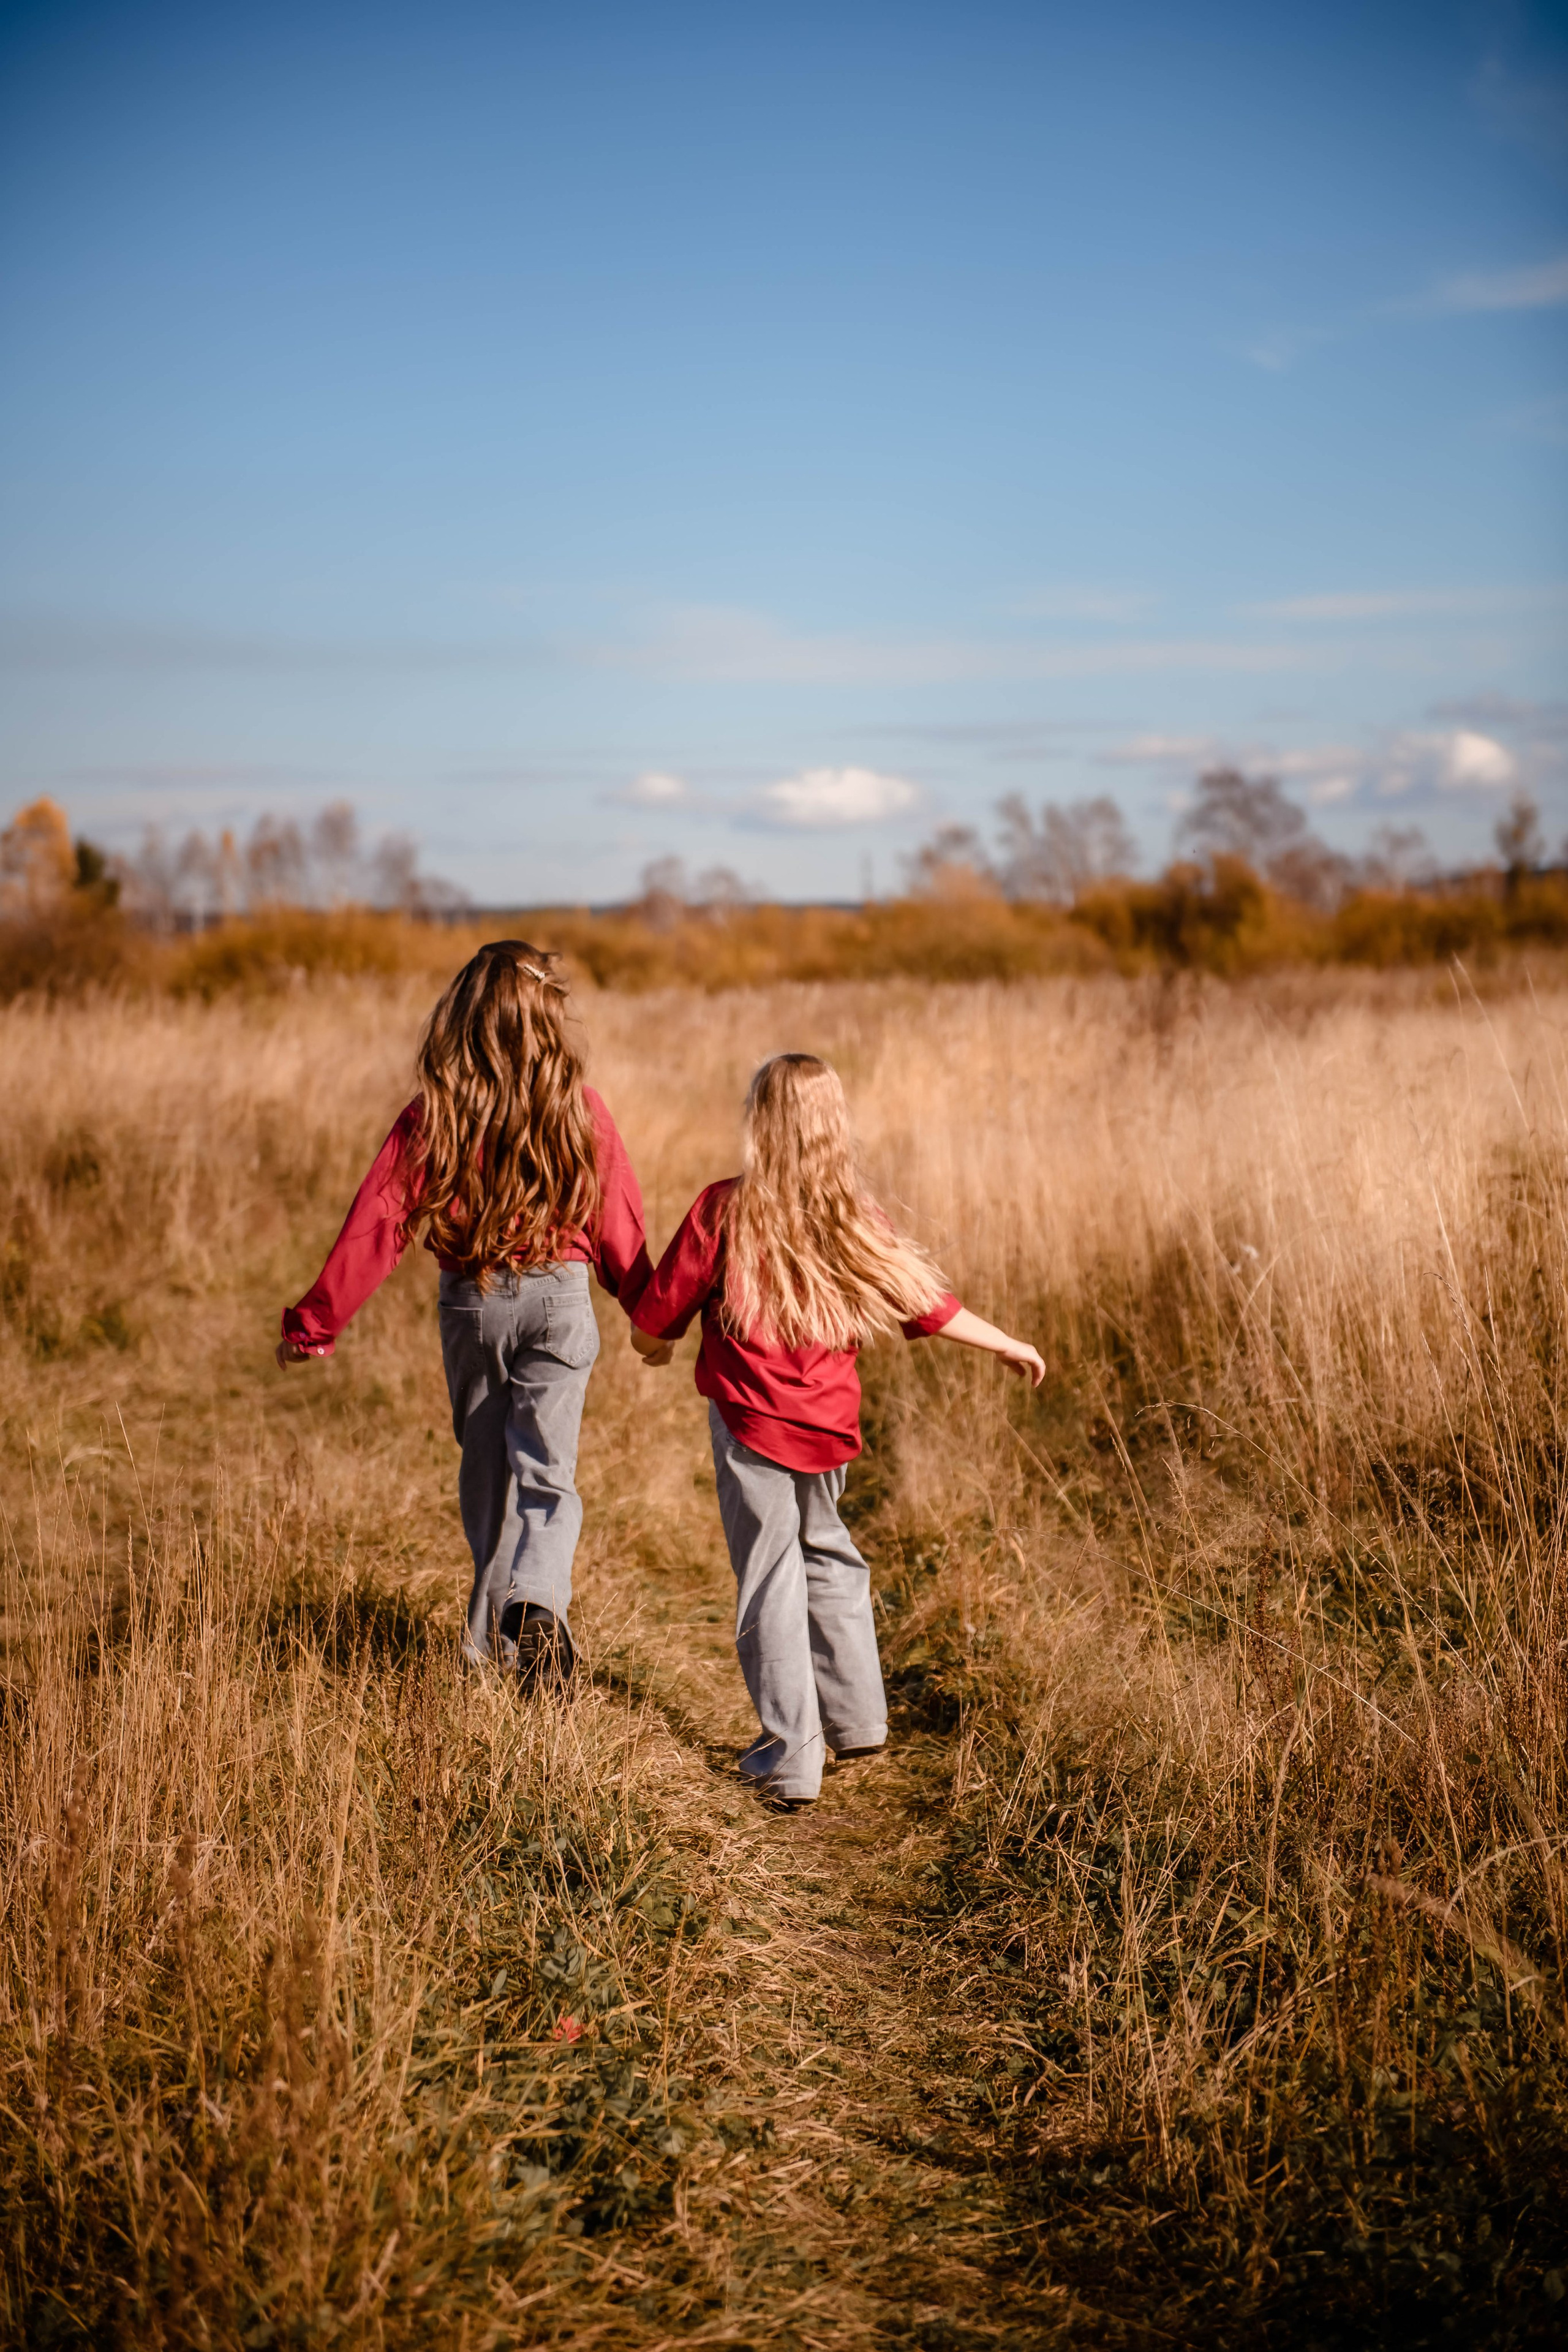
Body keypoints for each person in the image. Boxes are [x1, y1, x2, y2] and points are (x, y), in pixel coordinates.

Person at [630, 1052, 1044, 1807]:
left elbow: (655, 1318)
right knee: (828, 1553)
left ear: (760, 1121)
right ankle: (857, 1720)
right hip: (827, 1428)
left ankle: (791, 1757)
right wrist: (1008, 1344)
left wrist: (654, 1349)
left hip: (751, 1422)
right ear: (832, 1127)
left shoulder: (725, 1210)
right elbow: (930, 1306)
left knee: (770, 1577)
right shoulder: (855, 1220)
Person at [276, 940, 650, 1690]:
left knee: (488, 1474)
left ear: (465, 1017)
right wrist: (651, 1312)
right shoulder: (582, 1110)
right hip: (561, 1297)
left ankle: (488, 1650)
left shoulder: (434, 1115)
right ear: (550, 1016)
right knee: (549, 1475)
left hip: (474, 1303)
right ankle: (538, 1605)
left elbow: (374, 1226)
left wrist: (315, 1326)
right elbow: (620, 1223)